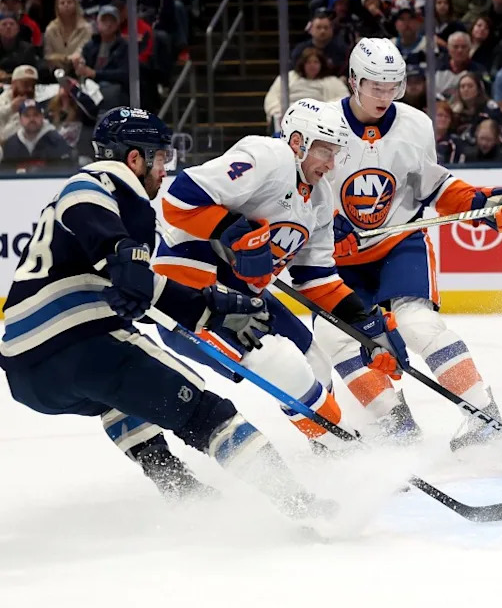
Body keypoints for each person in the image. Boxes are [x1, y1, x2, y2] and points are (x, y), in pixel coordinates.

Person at [0, 107, 324, 516]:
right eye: (159, 158)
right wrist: (119, 252)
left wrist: (212, 311)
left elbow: (141, 291)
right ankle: (300, 504)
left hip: (26, 374)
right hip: (77, 341)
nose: (164, 170)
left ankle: (176, 484)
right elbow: (89, 215)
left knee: (124, 398)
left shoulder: (129, 212)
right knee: (207, 412)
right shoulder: (101, 181)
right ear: (133, 158)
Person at [154, 98, 410, 449]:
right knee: (282, 364)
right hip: (189, 285)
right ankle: (344, 449)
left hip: (243, 293)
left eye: (335, 153)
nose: (331, 164)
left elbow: (316, 278)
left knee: (315, 363)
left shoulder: (320, 197)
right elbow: (179, 199)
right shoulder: (268, 158)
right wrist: (231, 228)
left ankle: (326, 447)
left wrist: (366, 323)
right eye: (324, 151)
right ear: (297, 142)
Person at [323, 38, 502, 449]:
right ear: (352, 80)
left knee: (418, 324)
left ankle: (484, 415)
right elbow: (296, 188)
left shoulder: (414, 124)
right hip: (336, 255)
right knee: (337, 338)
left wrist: (480, 204)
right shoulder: (320, 123)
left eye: (393, 86)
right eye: (375, 86)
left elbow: (431, 185)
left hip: (398, 242)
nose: (384, 96)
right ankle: (395, 423)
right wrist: (324, 223)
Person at [263, 46, 349, 129]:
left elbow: (344, 100)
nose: (312, 65)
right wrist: (278, 112)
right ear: (303, 64)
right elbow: (272, 98)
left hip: (319, 120)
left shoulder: (333, 81)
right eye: (308, 62)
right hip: (290, 117)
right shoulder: (287, 78)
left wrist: (325, 111)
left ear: (321, 64)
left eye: (315, 62)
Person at [1, 98, 73, 165]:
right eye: (27, 115)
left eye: (36, 115)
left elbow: (65, 168)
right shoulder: (11, 145)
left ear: (42, 117)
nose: (32, 119)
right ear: (20, 119)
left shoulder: (56, 141)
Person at [43, 0, 91, 75]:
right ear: (57, 7)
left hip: (78, 69)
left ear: (75, 4)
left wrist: (61, 58)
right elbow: (48, 55)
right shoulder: (50, 29)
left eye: (69, 2)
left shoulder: (85, 28)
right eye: (62, 3)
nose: (66, 5)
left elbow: (81, 52)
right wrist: (64, 59)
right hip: (55, 70)